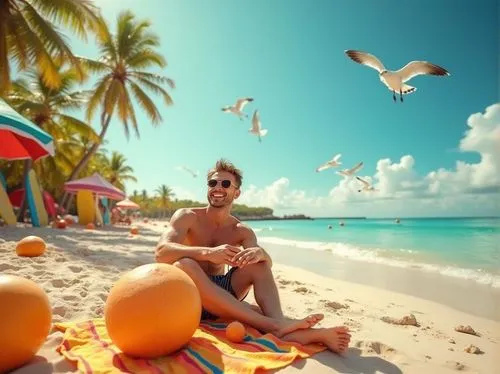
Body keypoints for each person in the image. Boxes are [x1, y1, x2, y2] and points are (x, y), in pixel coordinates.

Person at [155, 159, 351, 353]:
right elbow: (161, 252)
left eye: (225, 184)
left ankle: (279, 323)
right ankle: (275, 326)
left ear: (236, 193)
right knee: (184, 264)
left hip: (223, 297)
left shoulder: (242, 231)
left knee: (258, 263)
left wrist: (262, 253)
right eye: (213, 183)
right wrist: (208, 253)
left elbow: (264, 267)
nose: (218, 187)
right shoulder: (187, 216)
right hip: (188, 295)